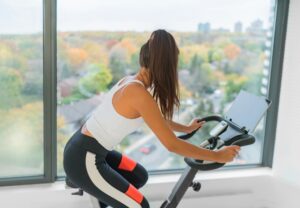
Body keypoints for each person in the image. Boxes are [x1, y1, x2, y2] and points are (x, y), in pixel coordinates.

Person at [63, 29, 240, 208]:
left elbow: (156, 118)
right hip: (84, 157)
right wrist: (217, 156)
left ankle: (104, 197)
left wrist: (186, 128)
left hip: (89, 148)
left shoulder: (132, 83)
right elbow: (172, 145)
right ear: (164, 66)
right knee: (140, 206)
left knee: (138, 177)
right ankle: (97, 188)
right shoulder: (137, 92)